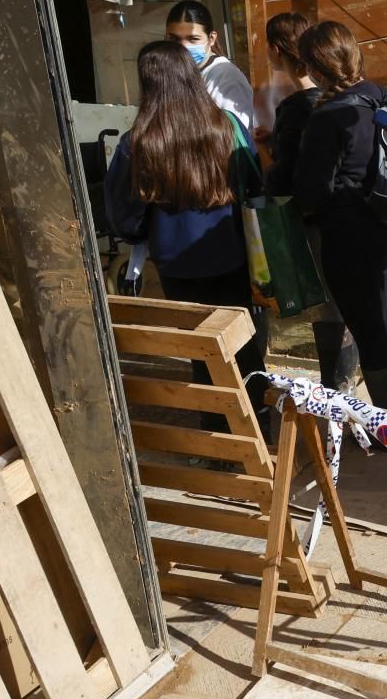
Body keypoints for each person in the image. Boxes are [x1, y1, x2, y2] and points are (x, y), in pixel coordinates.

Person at [105, 41, 268, 419]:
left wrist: (140, 235)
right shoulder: (226, 126)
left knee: (201, 351)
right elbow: (254, 182)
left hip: (177, 262)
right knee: (244, 344)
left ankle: (222, 450)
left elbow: (122, 214)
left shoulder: (139, 141)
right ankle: (263, 433)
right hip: (232, 251)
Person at [293, 21, 387, 424]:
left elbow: (311, 193)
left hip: (353, 238)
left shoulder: (327, 117)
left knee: (371, 329)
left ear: (314, 70)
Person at [259, 11, 360, 393]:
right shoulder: (348, 98)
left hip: (317, 223)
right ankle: (350, 391)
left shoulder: (298, 107)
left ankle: (339, 392)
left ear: (275, 50)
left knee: (329, 309)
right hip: (353, 219)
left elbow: (288, 178)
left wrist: (266, 155)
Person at [166, 0, 255, 130]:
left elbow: (234, 136)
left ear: (211, 38)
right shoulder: (174, 73)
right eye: (174, 39)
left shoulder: (226, 78)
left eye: (193, 39)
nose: (183, 47)